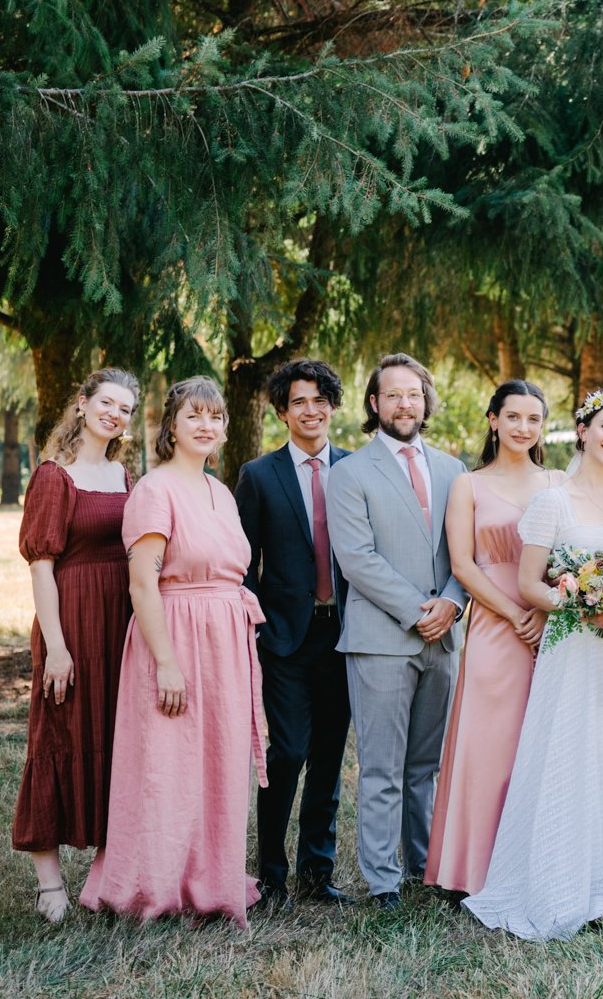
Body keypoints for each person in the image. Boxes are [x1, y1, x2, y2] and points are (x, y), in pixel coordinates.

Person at [465, 389, 603, 939]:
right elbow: (528, 584)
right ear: (582, 430)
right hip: (573, 647)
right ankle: (563, 884)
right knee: (571, 755)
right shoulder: (552, 502)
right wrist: (584, 600)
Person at [79, 377, 267, 927]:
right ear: (172, 427)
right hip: (175, 636)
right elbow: (142, 584)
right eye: (194, 417)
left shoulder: (222, 491)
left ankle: (210, 877)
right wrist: (166, 663)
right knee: (168, 763)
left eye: (215, 417)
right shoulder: (155, 491)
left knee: (218, 761)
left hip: (225, 642)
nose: (207, 426)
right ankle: (154, 882)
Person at [326, 353, 466, 909]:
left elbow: (467, 553)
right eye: (393, 395)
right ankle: (383, 882)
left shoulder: (455, 471)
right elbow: (357, 559)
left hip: (445, 635)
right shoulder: (350, 473)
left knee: (425, 766)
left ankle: (425, 867)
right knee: (382, 766)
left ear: (426, 401)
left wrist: (451, 605)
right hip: (381, 638)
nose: (405, 404)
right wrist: (419, 610)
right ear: (374, 404)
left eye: (414, 394)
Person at [13, 367, 140, 922]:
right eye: (107, 403)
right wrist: (57, 648)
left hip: (121, 624)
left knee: (116, 739)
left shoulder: (124, 474)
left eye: (126, 410)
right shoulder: (53, 474)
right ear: (83, 404)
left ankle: (107, 874)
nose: (115, 415)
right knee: (58, 735)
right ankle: (50, 886)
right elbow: (41, 565)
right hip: (72, 621)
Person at [425, 380, 562, 897]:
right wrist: (514, 614)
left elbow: (568, 557)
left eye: (533, 419)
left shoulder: (556, 482)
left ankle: (533, 865)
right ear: (493, 420)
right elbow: (462, 564)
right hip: (492, 623)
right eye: (514, 417)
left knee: (541, 742)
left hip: (550, 624)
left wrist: (544, 615)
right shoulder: (469, 484)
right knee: (488, 743)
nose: (523, 428)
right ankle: (473, 870)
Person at [234, 359, 354, 909]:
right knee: (287, 753)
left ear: (333, 406)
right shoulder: (259, 476)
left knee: (329, 755)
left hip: (346, 635)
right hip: (284, 638)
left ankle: (316, 873)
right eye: (299, 402)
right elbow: (242, 562)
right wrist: (255, 627)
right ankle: (272, 876)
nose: (311, 410)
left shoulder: (356, 471)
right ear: (282, 412)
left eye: (320, 400)